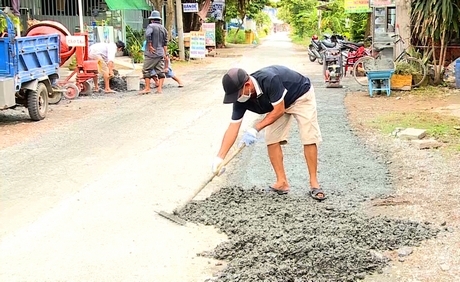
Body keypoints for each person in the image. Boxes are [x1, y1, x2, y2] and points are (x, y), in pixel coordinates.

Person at [212, 65, 326, 201]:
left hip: (300, 95)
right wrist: (220, 158)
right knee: (271, 139)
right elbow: (233, 127)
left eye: (237, 94)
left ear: (247, 85)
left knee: (309, 136)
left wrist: (256, 128)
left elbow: (279, 110)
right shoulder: (240, 99)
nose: (237, 99)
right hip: (276, 104)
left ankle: (314, 183)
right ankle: (282, 183)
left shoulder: (269, 80)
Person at [139, 10, 168, 95]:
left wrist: (150, 45)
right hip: (160, 53)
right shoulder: (164, 29)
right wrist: (165, 54)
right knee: (160, 71)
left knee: (146, 70)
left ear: (152, 19)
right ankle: (159, 89)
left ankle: (147, 88)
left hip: (151, 53)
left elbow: (148, 35)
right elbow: (165, 43)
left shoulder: (150, 26)